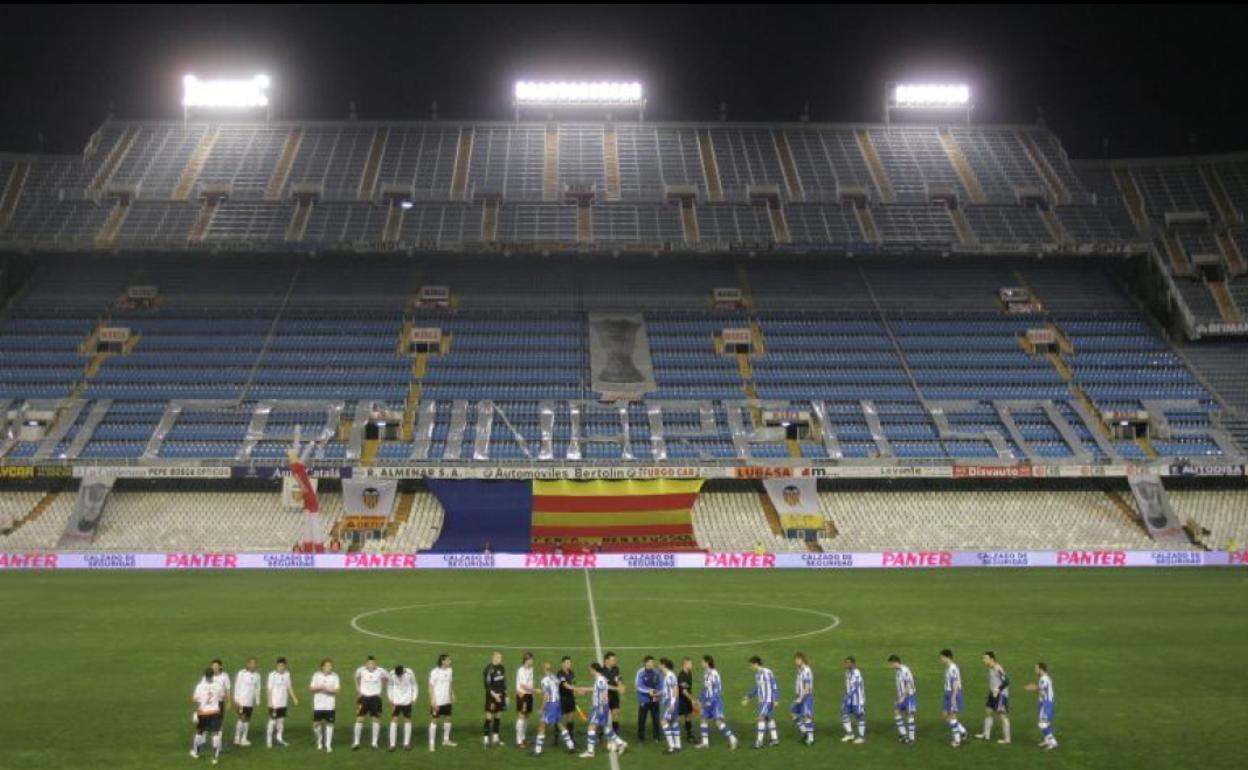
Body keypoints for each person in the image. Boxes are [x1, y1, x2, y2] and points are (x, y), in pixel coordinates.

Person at [578, 662, 629, 758]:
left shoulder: (600, 680)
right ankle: (621, 743)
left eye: (590, 670)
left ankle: (590, 752)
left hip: (599, 707)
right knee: (605, 728)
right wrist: (585, 690)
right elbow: (599, 690)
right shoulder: (602, 679)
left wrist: (600, 708)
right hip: (603, 707)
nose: (590, 671)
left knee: (591, 727)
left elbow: (602, 694)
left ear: (594, 670)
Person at [532, 662, 576, 756]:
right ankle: (571, 745)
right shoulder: (555, 677)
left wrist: (541, 709)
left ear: (544, 669)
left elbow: (546, 695)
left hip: (551, 705)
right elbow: (554, 689)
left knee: (542, 725)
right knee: (559, 723)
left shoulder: (544, 680)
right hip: (558, 703)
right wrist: (541, 690)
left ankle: (538, 750)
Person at [695, 655, 738, 749]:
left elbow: (718, 689)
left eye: (702, 662)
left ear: (707, 662)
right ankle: (705, 743)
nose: (701, 663)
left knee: (718, 722)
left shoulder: (714, 673)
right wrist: (699, 698)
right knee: (703, 718)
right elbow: (704, 688)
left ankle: (732, 739)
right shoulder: (705, 674)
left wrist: (711, 701)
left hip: (715, 702)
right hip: (707, 701)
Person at [741, 656, 780, 749]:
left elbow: (774, 685)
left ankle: (759, 742)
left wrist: (776, 699)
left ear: (756, 664)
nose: (750, 667)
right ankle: (775, 739)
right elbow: (756, 687)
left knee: (761, 718)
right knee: (768, 718)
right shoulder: (757, 675)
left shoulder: (767, 672)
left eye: (751, 665)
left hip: (768, 700)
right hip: (762, 700)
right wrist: (748, 696)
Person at [191, 668, 225, 765]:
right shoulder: (218, 686)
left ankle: (196, 752)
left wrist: (195, 712)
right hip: (215, 712)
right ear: (213, 675)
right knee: (215, 733)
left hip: (203, 713)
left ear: (205, 676)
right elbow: (222, 697)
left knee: (199, 732)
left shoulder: (200, 686)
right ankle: (214, 758)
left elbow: (195, 700)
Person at [976, 651, 1011, 744]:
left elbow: (1006, 681)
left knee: (1002, 715)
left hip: (1000, 695)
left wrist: (998, 689)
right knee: (988, 711)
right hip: (993, 694)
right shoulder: (990, 668)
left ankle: (1007, 739)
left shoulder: (997, 668)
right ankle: (986, 734)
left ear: (992, 659)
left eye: (985, 658)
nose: (983, 660)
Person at [353, 655, 386, 750]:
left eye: (373, 663)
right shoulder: (361, 670)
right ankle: (356, 742)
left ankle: (374, 743)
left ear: (376, 663)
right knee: (359, 719)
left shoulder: (381, 671)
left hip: (375, 698)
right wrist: (358, 689)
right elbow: (355, 676)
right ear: (366, 664)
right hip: (363, 698)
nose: (371, 665)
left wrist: (382, 690)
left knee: (376, 719)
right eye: (369, 663)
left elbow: (387, 678)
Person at [1023, 662, 1058, 751]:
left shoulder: (1044, 679)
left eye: (1036, 669)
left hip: (1047, 703)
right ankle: (1047, 740)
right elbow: (1041, 691)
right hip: (1043, 703)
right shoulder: (1043, 678)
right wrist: (1034, 688)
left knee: (1042, 723)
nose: (1035, 671)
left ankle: (1053, 742)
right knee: (1043, 722)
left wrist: (1031, 688)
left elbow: (1040, 689)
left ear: (1041, 669)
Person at [265, 657, 298, 748]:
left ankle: (279, 738)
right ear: (276, 666)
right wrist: (269, 701)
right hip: (274, 703)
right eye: (279, 665)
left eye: (283, 666)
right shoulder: (272, 675)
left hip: (283, 702)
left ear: (285, 666)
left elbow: (289, 687)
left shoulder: (287, 674)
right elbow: (269, 689)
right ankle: (269, 740)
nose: (281, 667)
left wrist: (294, 697)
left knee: (281, 721)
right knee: (272, 722)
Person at [310, 658, 341, 753]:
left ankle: (328, 745)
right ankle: (319, 739)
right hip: (318, 705)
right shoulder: (316, 675)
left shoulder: (335, 676)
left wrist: (328, 690)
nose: (330, 667)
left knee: (330, 724)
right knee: (315, 725)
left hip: (330, 705)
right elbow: (311, 689)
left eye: (331, 666)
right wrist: (320, 687)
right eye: (328, 666)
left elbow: (338, 690)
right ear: (322, 667)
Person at [940, 649, 969, 747]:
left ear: (947, 657)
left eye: (942, 657)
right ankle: (962, 731)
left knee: (952, 717)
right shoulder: (948, 668)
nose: (941, 659)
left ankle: (957, 741)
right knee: (945, 716)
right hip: (948, 694)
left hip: (953, 694)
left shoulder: (953, 668)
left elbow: (956, 683)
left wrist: (953, 697)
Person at [428, 653, 457, 751]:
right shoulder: (435, 672)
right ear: (443, 661)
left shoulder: (450, 670)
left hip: (447, 700)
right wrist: (433, 700)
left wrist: (452, 693)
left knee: (448, 719)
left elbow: (449, 683)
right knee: (434, 720)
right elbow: (430, 686)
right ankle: (431, 743)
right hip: (438, 701)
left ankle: (446, 740)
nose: (450, 661)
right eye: (448, 660)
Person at [387, 664, 418, 752]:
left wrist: (414, 698)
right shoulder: (392, 674)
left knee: (407, 720)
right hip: (396, 701)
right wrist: (390, 698)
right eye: (398, 675)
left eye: (400, 675)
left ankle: (406, 743)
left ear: (403, 672)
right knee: (394, 720)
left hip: (407, 701)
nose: (399, 677)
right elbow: (389, 686)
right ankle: (392, 744)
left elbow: (414, 685)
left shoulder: (409, 673)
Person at [232, 658, 261, 748]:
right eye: (251, 663)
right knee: (242, 718)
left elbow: (257, 688)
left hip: (250, 702)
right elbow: (237, 686)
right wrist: (236, 699)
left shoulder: (257, 676)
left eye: (254, 664)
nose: (253, 665)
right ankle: (237, 738)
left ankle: (244, 738)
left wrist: (257, 700)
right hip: (242, 701)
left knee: (247, 720)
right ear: (247, 664)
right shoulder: (242, 673)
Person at [887, 654, 916, 744]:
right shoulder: (897, 671)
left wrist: (903, 696)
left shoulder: (905, 670)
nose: (890, 666)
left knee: (909, 715)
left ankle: (911, 738)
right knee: (896, 712)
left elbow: (909, 684)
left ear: (895, 662)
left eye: (891, 664)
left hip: (908, 696)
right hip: (901, 696)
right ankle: (903, 735)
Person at [657, 658, 683, 753]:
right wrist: (658, 694)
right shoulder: (667, 675)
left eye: (659, 664)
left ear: (663, 665)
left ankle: (671, 747)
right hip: (671, 702)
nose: (658, 666)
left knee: (663, 722)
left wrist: (672, 704)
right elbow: (668, 690)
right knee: (674, 722)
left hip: (670, 702)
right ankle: (678, 745)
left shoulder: (670, 676)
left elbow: (675, 690)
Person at [482, 651, 507, 748]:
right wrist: (494, 695)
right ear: (494, 658)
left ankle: (496, 737)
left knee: (498, 716)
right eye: (499, 657)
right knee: (489, 717)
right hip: (491, 697)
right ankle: (486, 739)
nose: (501, 659)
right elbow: (487, 685)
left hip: (500, 696)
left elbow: (503, 681)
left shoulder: (502, 668)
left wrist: (506, 693)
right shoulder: (488, 669)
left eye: (501, 657)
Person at [633, 655, 661, 742]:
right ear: (646, 663)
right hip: (644, 699)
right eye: (651, 662)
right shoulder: (640, 672)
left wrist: (657, 693)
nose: (653, 663)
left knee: (656, 718)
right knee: (642, 718)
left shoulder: (656, 672)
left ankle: (657, 736)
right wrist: (650, 691)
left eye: (653, 662)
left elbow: (660, 684)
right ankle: (641, 736)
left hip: (655, 699)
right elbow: (638, 686)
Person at [791, 652, 815, 745]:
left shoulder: (806, 670)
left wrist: (801, 698)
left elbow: (807, 687)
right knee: (792, 714)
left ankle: (811, 739)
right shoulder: (799, 670)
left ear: (802, 660)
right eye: (795, 660)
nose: (796, 661)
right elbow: (798, 684)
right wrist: (797, 695)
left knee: (807, 717)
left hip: (806, 697)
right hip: (799, 697)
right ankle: (805, 732)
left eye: (798, 659)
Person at [841, 656, 866, 744]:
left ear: (853, 664)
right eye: (846, 662)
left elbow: (855, 687)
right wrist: (845, 696)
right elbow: (847, 686)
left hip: (857, 699)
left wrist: (847, 697)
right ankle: (850, 734)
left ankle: (861, 737)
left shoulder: (856, 672)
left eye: (848, 663)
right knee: (844, 713)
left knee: (859, 716)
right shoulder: (847, 673)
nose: (846, 664)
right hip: (849, 698)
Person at [515, 653, 535, 748]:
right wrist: (535, 690)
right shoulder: (521, 670)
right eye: (531, 659)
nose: (533, 661)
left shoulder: (531, 669)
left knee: (526, 717)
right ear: (526, 660)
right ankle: (519, 741)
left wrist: (531, 691)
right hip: (523, 695)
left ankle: (523, 738)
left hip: (529, 695)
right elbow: (523, 685)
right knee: (521, 717)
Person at [557, 656, 579, 742]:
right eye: (567, 663)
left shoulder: (571, 672)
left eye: (569, 663)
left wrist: (577, 691)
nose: (569, 665)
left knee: (571, 717)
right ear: (562, 664)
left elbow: (573, 684)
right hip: (563, 698)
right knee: (562, 718)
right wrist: (578, 689)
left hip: (571, 698)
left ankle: (570, 736)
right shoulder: (560, 674)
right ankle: (557, 736)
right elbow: (565, 685)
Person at [602, 652, 624, 738]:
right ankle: (600, 734)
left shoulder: (616, 669)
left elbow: (618, 679)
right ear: (606, 660)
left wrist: (621, 686)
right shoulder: (602, 671)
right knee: (603, 716)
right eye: (613, 660)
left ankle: (616, 732)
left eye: (615, 659)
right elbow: (605, 686)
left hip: (614, 695)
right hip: (605, 696)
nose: (615, 661)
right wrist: (618, 688)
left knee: (615, 713)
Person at [677, 658, 696, 743]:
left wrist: (692, 699)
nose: (692, 665)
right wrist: (692, 699)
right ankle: (674, 734)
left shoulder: (690, 673)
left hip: (687, 699)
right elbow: (684, 691)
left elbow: (688, 689)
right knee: (677, 717)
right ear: (685, 664)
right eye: (690, 664)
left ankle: (689, 735)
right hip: (681, 699)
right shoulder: (681, 676)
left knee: (688, 716)